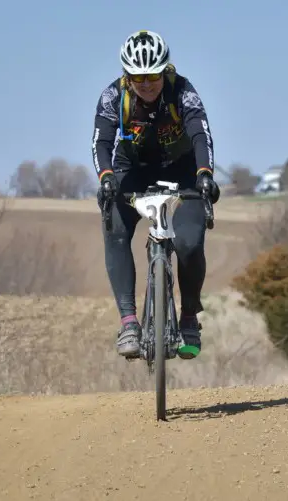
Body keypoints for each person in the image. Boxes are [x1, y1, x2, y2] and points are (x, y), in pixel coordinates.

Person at [92, 30, 220, 360]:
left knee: (190, 243)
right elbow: (101, 143)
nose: (146, 84)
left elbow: (200, 134)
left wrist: (205, 174)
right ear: (127, 75)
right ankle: (129, 322)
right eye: (138, 77)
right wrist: (106, 177)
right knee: (115, 230)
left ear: (165, 70)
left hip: (181, 169)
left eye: (153, 76)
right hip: (132, 169)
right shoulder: (113, 96)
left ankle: (189, 317)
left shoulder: (183, 91)